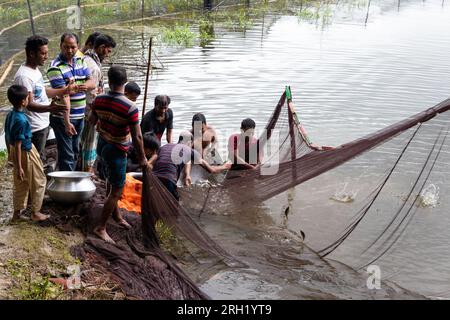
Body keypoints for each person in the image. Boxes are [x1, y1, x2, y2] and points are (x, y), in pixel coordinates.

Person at [89, 65, 148, 243]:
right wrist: (143, 159)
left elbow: (92, 122)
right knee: (116, 190)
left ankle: (117, 216)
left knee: (110, 181)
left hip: (102, 145)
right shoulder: (130, 107)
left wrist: (104, 123)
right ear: (125, 82)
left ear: (109, 80)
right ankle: (101, 227)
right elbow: (137, 136)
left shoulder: (98, 99)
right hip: (116, 150)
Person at [14, 35, 71, 162]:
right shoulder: (24, 76)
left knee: (40, 159)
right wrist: (50, 108)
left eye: (47, 53)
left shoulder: (35, 70)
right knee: (34, 161)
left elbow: (41, 92)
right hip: (34, 128)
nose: (46, 57)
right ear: (32, 54)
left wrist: (64, 90)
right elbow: (29, 104)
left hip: (43, 123)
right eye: (43, 53)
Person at [47, 33, 95, 171]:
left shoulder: (80, 60)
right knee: (67, 154)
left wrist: (86, 86)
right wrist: (67, 122)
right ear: (60, 46)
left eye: (73, 47)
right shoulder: (55, 67)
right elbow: (64, 95)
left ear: (78, 46)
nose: (69, 50)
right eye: (66, 47)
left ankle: (69, 180)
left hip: (79, 116)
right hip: (63, 118)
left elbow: (92, 81)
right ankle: (66, 185)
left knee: (74, 150)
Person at [4, 85, 48, 222]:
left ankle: (16, 214)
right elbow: (18, 144)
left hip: (16, 151)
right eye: (28, 96)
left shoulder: (11, 115)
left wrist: (12, 159)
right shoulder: (21, 120)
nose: (31, 97)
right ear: (23, 102)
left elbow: (8, 136)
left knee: (20, 182)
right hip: (26, 151)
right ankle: (36, 212)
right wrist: (20, 166)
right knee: (39, 180)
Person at [151, 131, 230, 201]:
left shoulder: (165, 147)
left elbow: (152, 162)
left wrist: (187, 174)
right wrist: (225, 166)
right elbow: (211, 170)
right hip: (169, 180)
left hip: (153, 179)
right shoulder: (190, 150)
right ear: (189, 142)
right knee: (174, 206)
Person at [80, 34, 116, 172]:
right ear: (101, 48)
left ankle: (82, 167)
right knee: (89, 142)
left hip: (81, 109)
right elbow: (92, 95)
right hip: (89, 111)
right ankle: (87, 171)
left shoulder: (84, 58)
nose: (108, 55)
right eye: (108, 51)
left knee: (82, 141)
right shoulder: (94, 67)